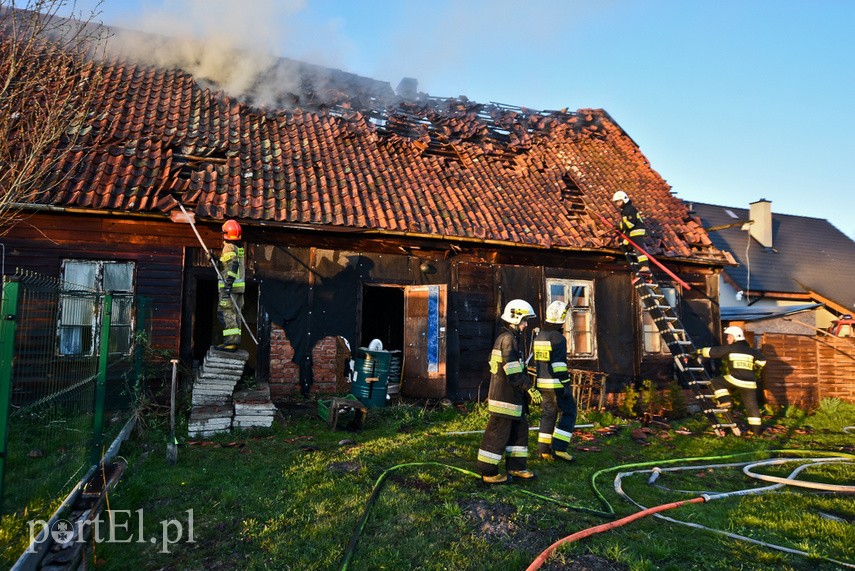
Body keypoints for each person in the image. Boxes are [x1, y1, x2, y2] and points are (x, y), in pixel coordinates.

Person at [476, 299, 537, 484]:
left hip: (513, 397)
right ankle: (488, 472)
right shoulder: (508, 340)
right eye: (524, 320)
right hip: (505, 398)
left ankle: (516, 467)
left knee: (519, 431)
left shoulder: (509, 338)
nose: (526, 325)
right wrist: (529, 387)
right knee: (497, 434)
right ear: (515, 319)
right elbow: (513, 373)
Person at [696, 325, 767, 435]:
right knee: (752, 406)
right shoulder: (750, 350)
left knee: (716, 381)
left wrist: (697, 351)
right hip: (750, 383)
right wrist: (755, 367)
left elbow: (713, 351)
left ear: (735, 337)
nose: (727, 338)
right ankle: (756, 431)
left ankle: (725, 400)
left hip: (736, 378)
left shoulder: (731, 348)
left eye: (729, 336)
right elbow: (763, 360)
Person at [534, 301, 577, 462]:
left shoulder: (540, 336)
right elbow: (559, 366)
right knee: (570, 412)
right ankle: (559, 448)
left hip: (542, 383)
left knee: (548, 414)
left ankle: (543, 450)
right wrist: (565, 384)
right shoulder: (558, 338)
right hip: (556, 384)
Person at [216, 219, 246, 351]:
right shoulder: (239, 248)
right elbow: (226, 266)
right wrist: (215, 260)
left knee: (225, 313)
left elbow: (232, 266)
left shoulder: (228, 247)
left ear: (225, 233)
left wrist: (228, 286)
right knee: (235, 315)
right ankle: (233, 342)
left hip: (230, 288)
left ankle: (231, 342)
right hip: (239, 289)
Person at [612, 190, 652, 275]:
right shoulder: (625, 210)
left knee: (639, 248)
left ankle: (644, 266)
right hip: (631, 232)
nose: (617, 204)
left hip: (636, 232)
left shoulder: (629, 209)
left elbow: (630, 224)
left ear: (624, 200)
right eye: (616, 202)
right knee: (622, 241)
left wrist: (619, 226)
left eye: (619, 201)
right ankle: (629, 248)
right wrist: (620, 228)